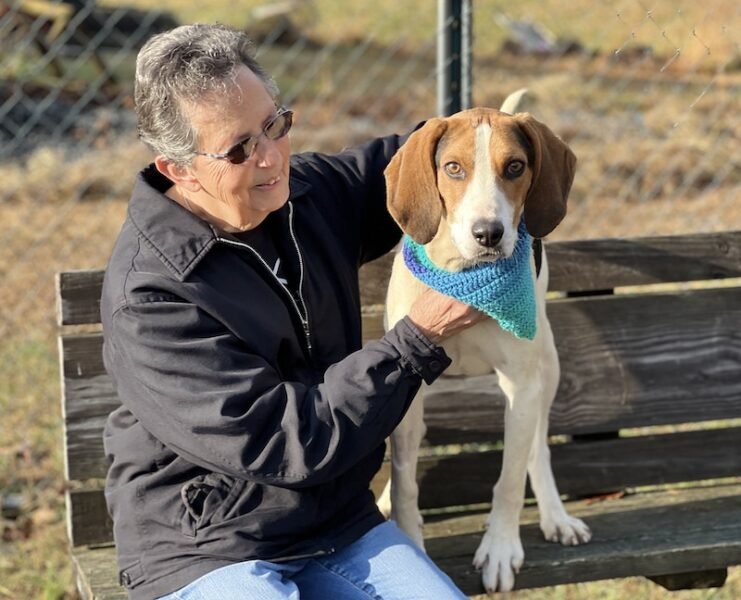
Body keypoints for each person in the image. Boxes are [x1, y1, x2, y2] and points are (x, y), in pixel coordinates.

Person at [101, 23, 484, 600]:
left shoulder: (306, 195)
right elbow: (285, 443)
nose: (271, 157)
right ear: (177, 168)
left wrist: (489, 148)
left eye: (275, 125)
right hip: (208, 545)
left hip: (337, 523)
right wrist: (415, 341)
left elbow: (420, 157)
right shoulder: (151, 297)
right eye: (239, 149)